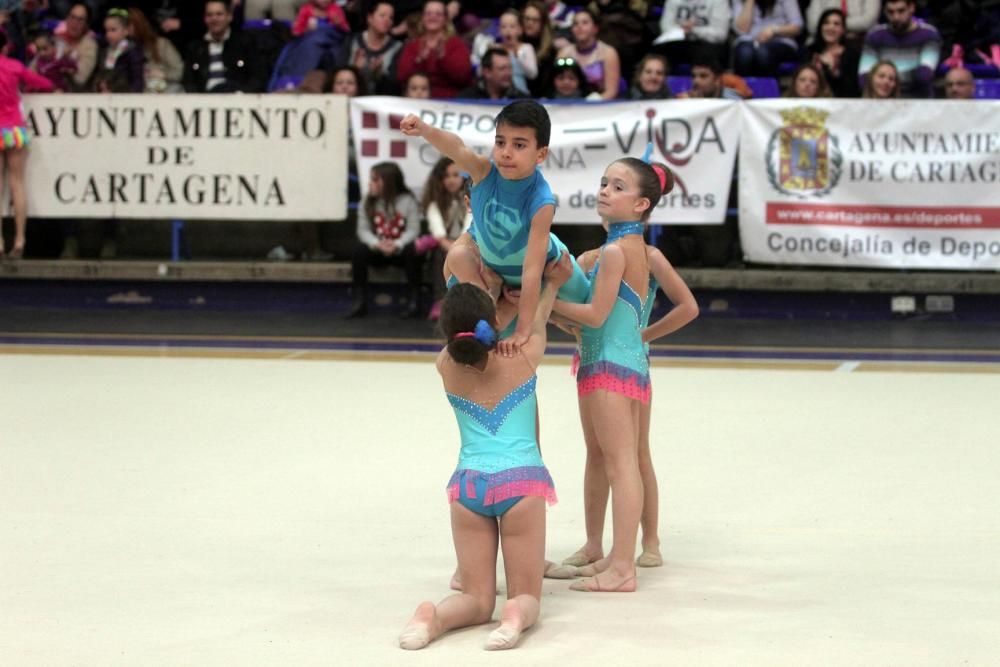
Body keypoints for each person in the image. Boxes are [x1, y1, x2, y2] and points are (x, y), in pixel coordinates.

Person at [398, 259, 570, 651]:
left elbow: (470, 336)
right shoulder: (522, 357)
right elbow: (538, 318)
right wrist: (553, 286)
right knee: (526, 596)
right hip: (520, 486)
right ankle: (514, 617)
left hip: (468, 488)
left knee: (476, 599)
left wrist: (490, 296)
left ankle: (433, 616)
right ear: (491, 323)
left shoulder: (445, 367)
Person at [549, 158, 670, 592]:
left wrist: (545, 305)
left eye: (616, 187)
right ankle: (609, 555)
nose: (604, 191)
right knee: (612, 460)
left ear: (640, 204)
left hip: (609, 365)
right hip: (614, 362)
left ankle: (623, 566)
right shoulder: (620, 250)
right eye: (603, 183)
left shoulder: (619, 251)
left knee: (622, 464)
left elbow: (597, 315)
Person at [561, 206, 699, 572]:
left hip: (626, 362)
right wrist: (564, 323)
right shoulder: (590, 258)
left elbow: (688, 306)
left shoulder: (649, 256)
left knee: (636, 453)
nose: (606, 197)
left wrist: (645, 335)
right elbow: (580, 314)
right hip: (591, 357)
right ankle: (593, 542)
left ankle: (650, 539)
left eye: (618, 189)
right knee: (596, 453)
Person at [400, 99, 591, 354]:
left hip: (548, 267)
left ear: (541, 154)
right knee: (459, 262)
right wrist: (425, 129)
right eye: (500, 142)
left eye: (519, 145)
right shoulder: (483, 173)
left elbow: (532, 270)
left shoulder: (541, 201)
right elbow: (455, 148)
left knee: (588, 321)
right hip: (499, 271)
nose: (506, 152)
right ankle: (493, 296)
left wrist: (524, 329)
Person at [0, 30, 54, 260]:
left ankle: (0, 243)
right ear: (6, 46)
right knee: (17, 185)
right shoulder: (14, 66)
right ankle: (20, 240)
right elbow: (46, 84)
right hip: (14, 129)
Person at [348, 162, 424, 319]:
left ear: (389, 182)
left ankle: (414, 301)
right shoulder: (367, 202)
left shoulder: (408, 201)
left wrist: (397, 244)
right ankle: (359, 300)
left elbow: (413, 230)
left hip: (401, 251)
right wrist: (377, 244)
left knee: (414, 249)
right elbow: (362, 230)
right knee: (358, 250)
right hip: (378, 250)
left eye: (375, 180)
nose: (370, 183)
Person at [423, 158, 472, 321]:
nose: (451, 180)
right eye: (446, 176)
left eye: (455, 175)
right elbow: (438, 232)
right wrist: (453, 249)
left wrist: (460, 247)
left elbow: (469, 226)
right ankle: (441, 300)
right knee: (439, 255)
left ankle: (467, 302)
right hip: (446, 244)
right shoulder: (434, 201)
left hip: (469, 241)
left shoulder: (471, 199)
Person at [859, 0, 940, 98]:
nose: (896, 17)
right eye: (890, 12)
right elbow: (864, 78)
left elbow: (924, 75)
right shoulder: (874, 36)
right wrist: (901, 77)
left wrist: (882, 78)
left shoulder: (928, 34)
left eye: (901, 11)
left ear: (911, 8)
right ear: (884, 11)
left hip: (918, 101)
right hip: (883, 101)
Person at [183, 0, 265, 93]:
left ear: (229, 16)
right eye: (209, 15)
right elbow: (188, 81)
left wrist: (241, 94)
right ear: (205, 19)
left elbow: (258, 78)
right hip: (203, 103)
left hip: (238, 101)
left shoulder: (245, 43)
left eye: (219, 14)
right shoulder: (195, 48)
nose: (214, 18)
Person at [396, 0, 472, 98]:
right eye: (428, 14)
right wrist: (419, 60)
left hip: (449, 103)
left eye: (438, 14)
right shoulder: (413, 45)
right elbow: (401, 77)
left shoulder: (456, 44)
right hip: (416, 101)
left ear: (446, 19)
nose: (433, 17)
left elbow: (463, 78)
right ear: (422, 18)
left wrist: (443, 59)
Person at [556, 8, 621, 100]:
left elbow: (611, 91)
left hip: (601, 106)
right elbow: (558, 84)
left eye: (585, 22)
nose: (579, 27)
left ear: (595, 28)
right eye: (575, 23)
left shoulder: (608, 53)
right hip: (570, 103)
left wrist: (593, 102)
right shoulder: (564, 53)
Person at [340, 1, 401, 95]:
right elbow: (339, 74)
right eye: (382, 15)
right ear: (370, 18)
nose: (387, 20)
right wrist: (355, 70)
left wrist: (378, 75)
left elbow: (395, 83)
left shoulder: (397, 47)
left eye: (390, 17)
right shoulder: (352, 41)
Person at [731, 0, 803, 77]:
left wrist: (774, 30)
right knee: (744, 53)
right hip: (749, 40)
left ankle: (767, 88)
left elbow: (797, 26)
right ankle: (742, 88)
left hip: (780, 41)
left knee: (763, 53)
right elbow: (742, 29)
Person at [653, 0, 730, 68]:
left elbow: (720, 34)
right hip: (678, 42)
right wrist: (682, 30)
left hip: (706, 44)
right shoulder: (673, 1)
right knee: (660, 49)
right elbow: (665, 27)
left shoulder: (719, 1)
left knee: (709, 52)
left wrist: (693, 30)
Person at [127, 7, 183, 93]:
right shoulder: (123, 49)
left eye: (128, 24)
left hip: (164, 93)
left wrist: (164, 74)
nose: (125, 29)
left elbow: (180, 72)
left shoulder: (161, 44)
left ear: (138, 24)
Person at [808, 8, 861, 98]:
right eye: (826, 23)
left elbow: (852, 90)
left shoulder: (852, 55)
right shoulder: (809, 51)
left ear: (843, 30)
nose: (830, 27)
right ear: (820, 27)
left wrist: (833, 72)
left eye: (836, 24)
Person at [92, 8, 144, 93]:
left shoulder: (133, 52)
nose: (108, 34)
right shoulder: (104, 51)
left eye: (113, 30)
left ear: (126, 30)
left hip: (125, 98)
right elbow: (98, 75)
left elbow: (137, 81)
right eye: (106, 30)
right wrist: (99, 85)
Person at [54, 2, 98, 90]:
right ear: (66, 19)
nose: (75, 23)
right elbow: (33, 70)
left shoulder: (89, 45)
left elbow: (80, 78)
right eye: (72, 17)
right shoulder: (55, 40)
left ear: (87, 24)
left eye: (80, 19)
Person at [458, 47, 530, 100]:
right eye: (502, 69)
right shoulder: (467, 99)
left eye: (510, 68)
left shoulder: (522, 101)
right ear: (487, 72)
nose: (508, 73)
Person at [497, 8, 537, 94]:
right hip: (499, 94)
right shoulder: (496, 49)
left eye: (512, 26)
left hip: (520, 94)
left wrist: (518, 55)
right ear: (499, 30)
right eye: (503, 26)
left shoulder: (526, 48)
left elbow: (533, 74)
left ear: (520, 30)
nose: (508, 30)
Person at [805, 0, 880, 45]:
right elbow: (813, 25)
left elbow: (868, 21)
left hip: (860, 41)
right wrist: (837, 27)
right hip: (823, 42)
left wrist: (833, 25)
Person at [521, 0, 555, 96]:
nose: (530, 23)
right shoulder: (514, 44)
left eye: (535, 20)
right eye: (527, 19)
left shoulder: (550, 51)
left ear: (543, 23)